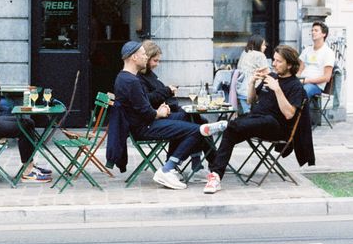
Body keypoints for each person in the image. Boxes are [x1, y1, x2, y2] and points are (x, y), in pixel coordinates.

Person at [115, 41, 226, 190]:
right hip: (144, 127)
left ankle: (181, 166)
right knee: (197, 130)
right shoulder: (132, 81)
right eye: (143, 55)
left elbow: (141, 108)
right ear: (134, 57)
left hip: (143, 124)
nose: (145, 57)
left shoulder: (124, 78)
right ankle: (168, 168)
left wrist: (160, 110)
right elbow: (147, 113)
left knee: (192, 119)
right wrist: (159, 113)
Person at [204, 45, 310, 194]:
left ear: (290, 65)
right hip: (255, 121)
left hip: (276, 127)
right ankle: (215, 176)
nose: (273, 64)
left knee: (262, 121)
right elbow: (250, 101)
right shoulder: (271, 77)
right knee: (231, 131)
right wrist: (252, 83)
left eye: (279, 61)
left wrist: (277, 89)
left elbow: (289, 114)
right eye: (274, 60)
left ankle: (225, 124)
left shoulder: (296, 87)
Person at [298, 21, 335, 100]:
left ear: (323, 34)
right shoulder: (307, 50)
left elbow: (326, 77)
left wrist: (307, 81)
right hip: (302, 81)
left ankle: (299, 112)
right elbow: (300, 70)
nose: (313, 32)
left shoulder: (328, 52)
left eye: (316, 30)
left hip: (316, 86)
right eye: (312, 30)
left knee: (304, 91)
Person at [235, 35, 270, 113]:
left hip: (241, 90)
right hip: (252, 91)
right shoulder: (260, 55)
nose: (265, 47)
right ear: (258, 45)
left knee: (245, 116)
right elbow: (268, 73)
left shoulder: (244, 53)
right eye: (263, 45)